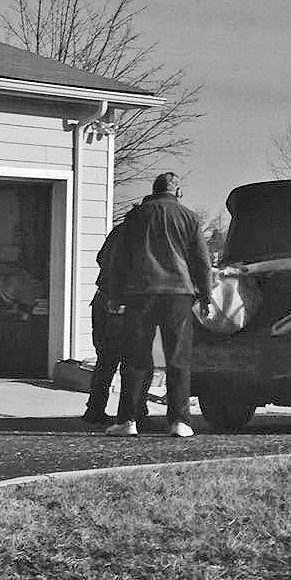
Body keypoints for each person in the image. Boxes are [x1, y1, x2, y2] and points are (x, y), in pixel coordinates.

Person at [104, 171, 214, 438]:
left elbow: (119, 259)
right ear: (177, 192)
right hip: (179, 293)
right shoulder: (189, 217)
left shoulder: (136, 216)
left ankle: (128, 420)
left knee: (136, 357)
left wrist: (115, 295)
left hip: (140, 292)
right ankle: (179, 421)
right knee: (178, 358)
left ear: (154, 191)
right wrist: (206, 295)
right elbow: (202, 260)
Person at [82, 199, 140, 426]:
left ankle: (95, 408)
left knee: (105, 358)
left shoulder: (117, 233)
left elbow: (100, 258)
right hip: (120, 302)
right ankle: (133, 411)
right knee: (129, 358)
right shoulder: (137, 238)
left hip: (101, 299)